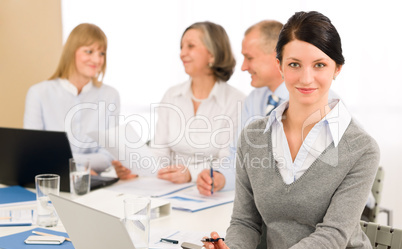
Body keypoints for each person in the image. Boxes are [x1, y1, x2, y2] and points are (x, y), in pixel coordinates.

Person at [185, 11, 380, 249]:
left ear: (337, 69)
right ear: (280, 66)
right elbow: (246, 222)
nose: (306, 78)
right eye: (294, 64)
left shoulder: (361, 148)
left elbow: (332, 238)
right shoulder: (253, 137)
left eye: (319, 65)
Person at [196, 20, 339, 196]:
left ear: (276, 57)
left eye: (249, 58)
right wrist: (220, 177)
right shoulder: (255, 99)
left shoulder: (321, 99)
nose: (243, 67)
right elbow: (239, 157)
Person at [113, 21, 245, 186]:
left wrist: (191, 174)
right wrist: (135, 168)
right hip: (170, 188)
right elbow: (160, 152)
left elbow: (228, 160)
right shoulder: (172, 96)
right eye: (181, 47)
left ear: (212, 54)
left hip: (212, 192)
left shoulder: (236, 101)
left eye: (190, 46)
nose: (182, 53)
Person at [24, 23, 119, 174]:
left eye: (101, 53)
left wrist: (66, 161)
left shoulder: (110, 95)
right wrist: (82, 168)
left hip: (93, 183)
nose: (96, 60)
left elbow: (108, 155)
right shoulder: (39, 93)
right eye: (89, 51)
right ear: (71, 52)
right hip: (52, 180)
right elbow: (33, 152)